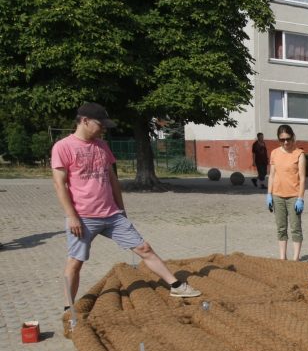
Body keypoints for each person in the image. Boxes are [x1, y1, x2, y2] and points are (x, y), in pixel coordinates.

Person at [52, 102, 202, 311]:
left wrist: (121, 210)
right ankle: (69, 309)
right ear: (84, 121)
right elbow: (59, 184)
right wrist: (72, 216)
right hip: (83, 217)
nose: (103, 128)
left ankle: (176, 285)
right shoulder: (63, 147)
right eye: (100, 124)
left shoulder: (102, 146)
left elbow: (112, 179)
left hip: (112, 215)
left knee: (144, 248)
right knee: (75, 263)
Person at [266, 124, 306, 261]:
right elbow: (272, 175)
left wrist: (301, 198)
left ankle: (296, 258)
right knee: (281, 227)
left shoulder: (299, 154)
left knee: (295, 227)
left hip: (294, 196)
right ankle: (282, 257)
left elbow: (302, 178)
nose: (286, 142)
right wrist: (269, 194)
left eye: (288, 139)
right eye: (282, 140)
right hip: (277, 196)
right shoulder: (274, 153)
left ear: (293, 137)